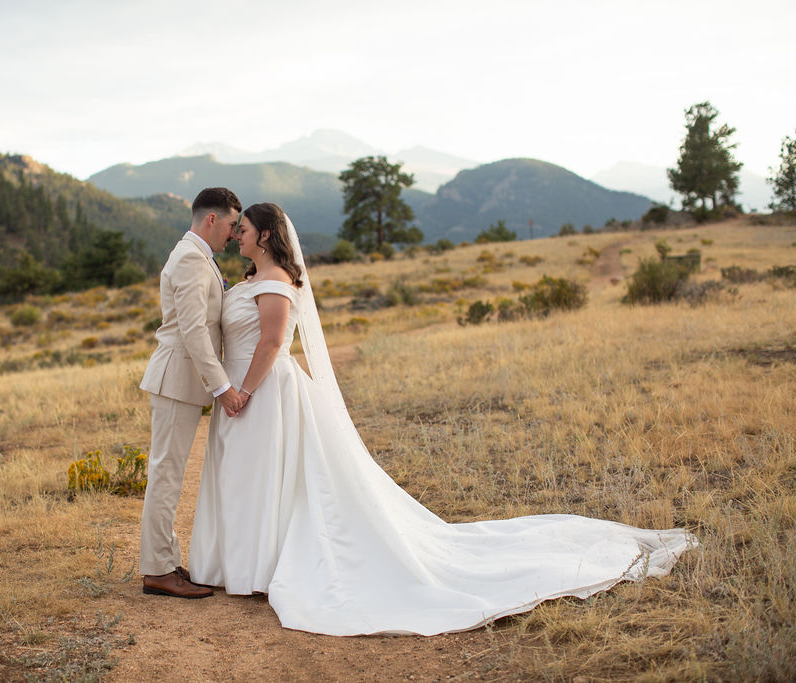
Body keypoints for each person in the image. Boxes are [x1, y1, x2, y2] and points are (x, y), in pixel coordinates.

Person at [190, 202, 697, 635]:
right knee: (249, 478)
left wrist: (244, 391)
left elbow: (274, 342)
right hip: (238, 392)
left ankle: (263, 566)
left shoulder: (276, 282)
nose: (238, 236)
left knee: (269, 477)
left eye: (245, 230)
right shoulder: (253, 278)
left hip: (264, 391)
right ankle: (246, 562)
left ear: (267, 235)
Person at [138, 187, 245, 599]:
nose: (234, 234)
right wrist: (221, 387)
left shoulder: (200, 257)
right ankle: (158, 571)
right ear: (212, 219)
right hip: (175, 379)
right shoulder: (188, 257)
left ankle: (163, 561)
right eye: (232, 225)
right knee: (165, 473)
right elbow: (193, 329)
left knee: (169, 473)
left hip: (181, 381)